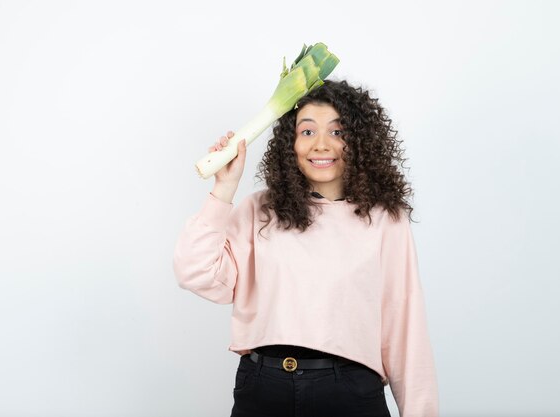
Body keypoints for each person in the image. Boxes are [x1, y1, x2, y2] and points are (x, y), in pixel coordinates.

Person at [172, 79, 439, 417]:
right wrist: (224, 189)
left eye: (338, 132)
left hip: (349, 394)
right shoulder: (260, 210)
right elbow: (196, 273)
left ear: (358, 142)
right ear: (291, 143)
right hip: (262, 388)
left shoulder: (385, 219)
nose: (321, 145)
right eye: (308, 132)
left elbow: (406, 327)